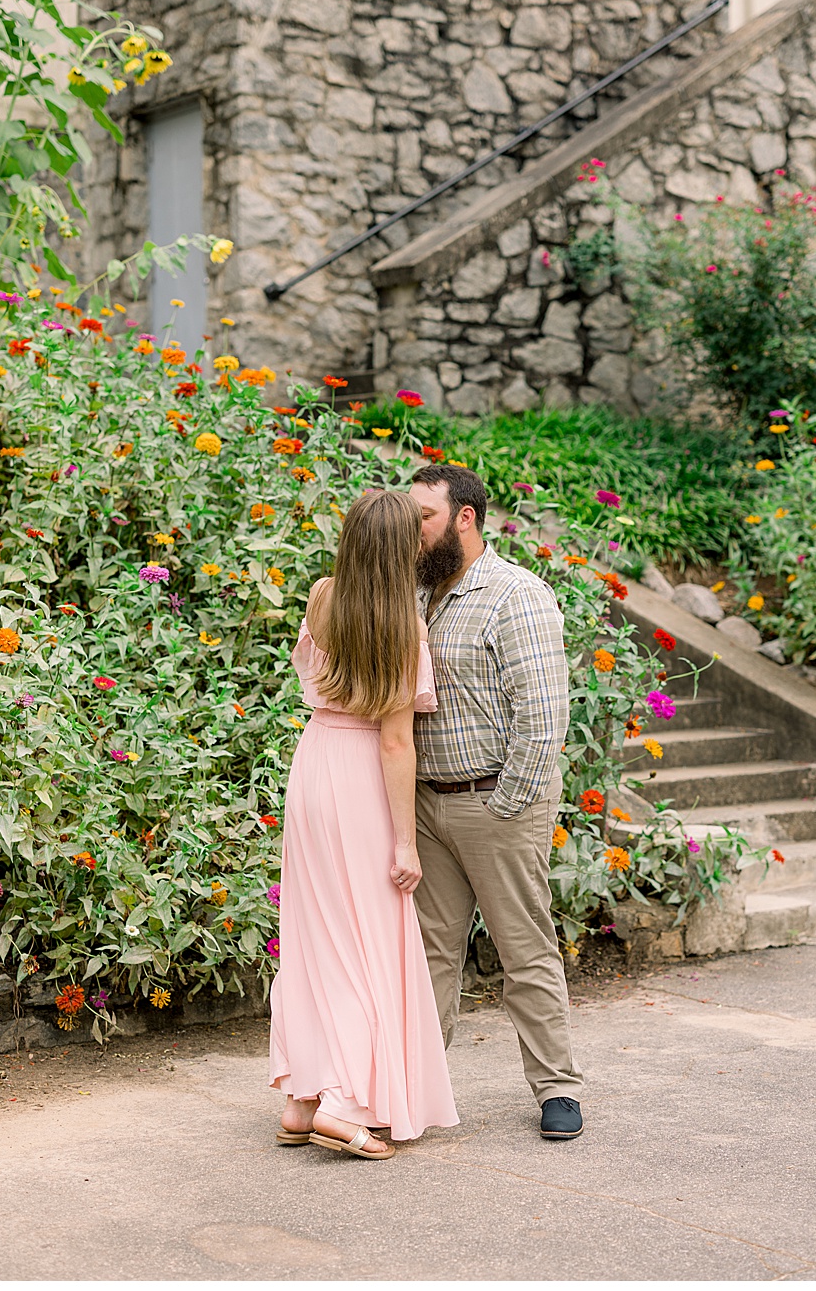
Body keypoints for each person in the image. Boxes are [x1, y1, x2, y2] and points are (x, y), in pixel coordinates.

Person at [269, 489, 459, 1159]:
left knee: (315, 937)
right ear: (403, 547)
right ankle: (347, 1104)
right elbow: (395, 742)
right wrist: (405, 842)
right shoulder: (403, 627)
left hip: (314, 766)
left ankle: (301, 1099)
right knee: (366, 945)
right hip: (361, 785)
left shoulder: (322, 596)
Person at [406, 463, 581, 1140]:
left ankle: (557, 1089)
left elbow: (543, 718)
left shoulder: (515, 595)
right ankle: (415, 1089)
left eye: (424, 516)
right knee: (428, 956)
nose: (412, 529)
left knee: (524, 950)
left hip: (496, 803)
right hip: (427, 805)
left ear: (465, 518)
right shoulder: (417, 593)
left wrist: (503, 804)